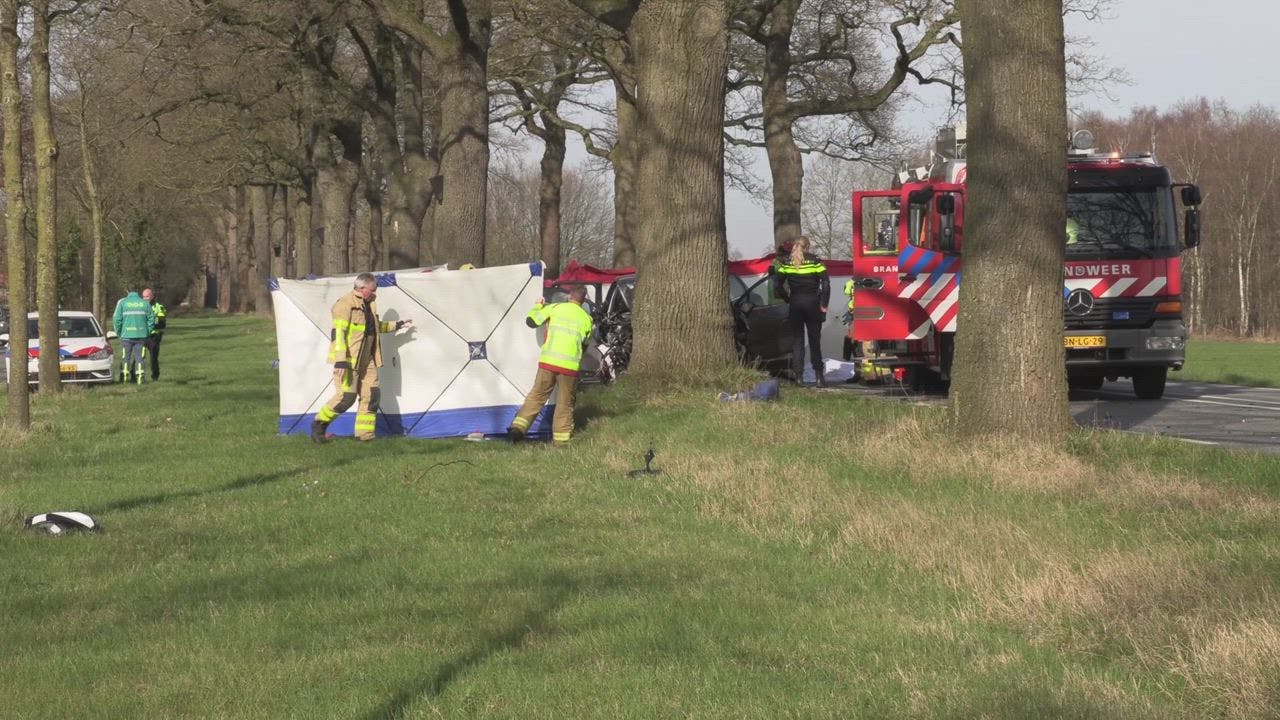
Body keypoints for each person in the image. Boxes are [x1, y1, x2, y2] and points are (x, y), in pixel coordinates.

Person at [311, 273, 412, 443]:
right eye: (373, 289)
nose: (375, 293)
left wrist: (398, 325)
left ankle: (365, 437)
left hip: (367, 360)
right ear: (362, 288)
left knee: (372, 396)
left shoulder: (369, 304)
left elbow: (374, 326)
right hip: (349, 361)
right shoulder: (344, 304)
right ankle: (319, 425)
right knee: (346, 398)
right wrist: (341, 360)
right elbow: (338, 334)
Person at [507, 284, 594, 446]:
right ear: (583, 301)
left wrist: (538, 305)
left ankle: (517, 429)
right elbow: (585, 345)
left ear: (569, 296)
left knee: (537, 395)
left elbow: (531, 321)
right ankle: (561, 441)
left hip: (548, 363)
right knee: (565, 403)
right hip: (570, 368)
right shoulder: (587, 319)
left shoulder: (555, 308)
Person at [772, 236, 830, 387]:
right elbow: (826, 283)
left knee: (798, 341)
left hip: (795, 304)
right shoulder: (816, 261)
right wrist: (824, 304)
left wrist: (787, 299)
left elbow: (777, 285)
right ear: (808, 247)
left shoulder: (787, 263)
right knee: (814, 341)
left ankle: (799, 378)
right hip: (813, 304)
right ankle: (819, 378)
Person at [113, 287, 154, 384]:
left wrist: (119, 333)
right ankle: (140, 379)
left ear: (128, 293)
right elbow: (151, 320)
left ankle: (123, 379)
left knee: (125, 357)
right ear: (137, 292)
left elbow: (117, 320)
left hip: (126, 336)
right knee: (140, 358)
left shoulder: (123, 303)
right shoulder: (145, 303)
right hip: (141, 336)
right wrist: (147, 332)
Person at [142, 287, 166, 381]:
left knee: (153, 358)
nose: (145, 299)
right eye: (143, 297)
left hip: (154, 337)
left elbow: (162, 324)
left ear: (152, 296)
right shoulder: (140, 307)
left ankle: (155, 376)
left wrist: (150, 324)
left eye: (147, 296)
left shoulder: (159, 307)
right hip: (142, 336)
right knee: (139, 357)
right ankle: (137, 375)